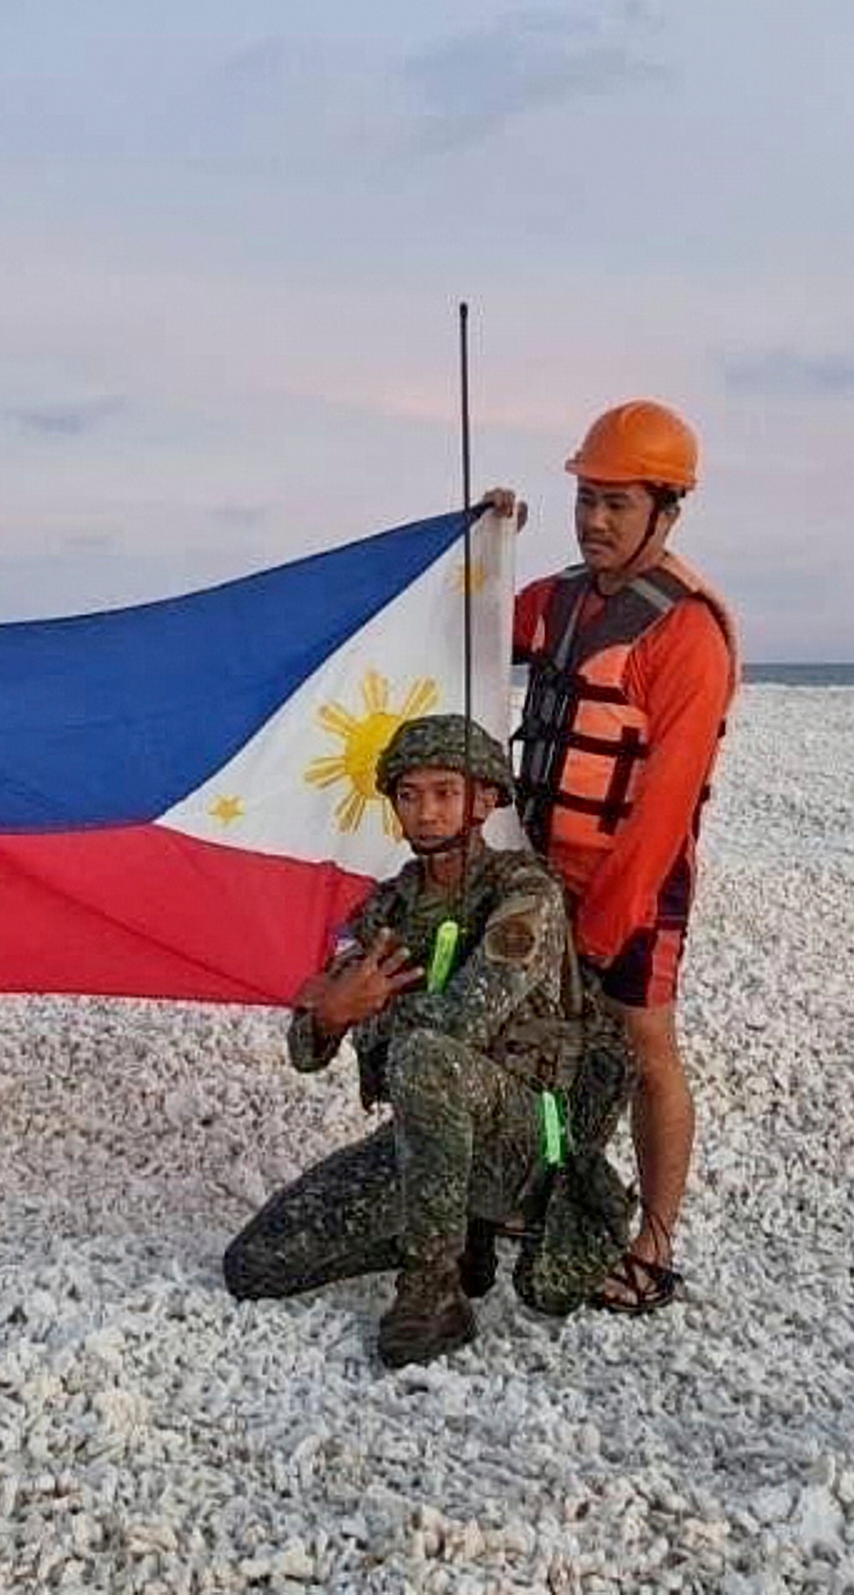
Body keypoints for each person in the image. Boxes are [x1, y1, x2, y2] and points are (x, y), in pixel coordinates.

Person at [222, 715, 636, 1368]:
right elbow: (306, 1049)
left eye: (444, 792)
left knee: (423, 1055)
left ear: (482, 799)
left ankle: (432, 1292)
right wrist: (332, 1015)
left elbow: (464, 1021)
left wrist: (360, 1003)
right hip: (428, 1141)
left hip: (524, 1141)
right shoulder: (388, 908)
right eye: (408, 794)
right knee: (256, 1265)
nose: (425, 810)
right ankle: (448, 1229)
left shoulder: (524, 894)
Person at [505, 399, 740, 1315]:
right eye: (585, 499)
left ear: (666, 509)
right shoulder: (558, 602)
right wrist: (488, 542)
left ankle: (652, 1243)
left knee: (645, 1047)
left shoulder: (685, 634)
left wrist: (603, 927)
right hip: (539, 865)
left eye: (617, 503)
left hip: (631, 878)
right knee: (533, 1042)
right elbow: (477, 620)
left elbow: (664, 805)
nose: (596, 520)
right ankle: (534, 1194)